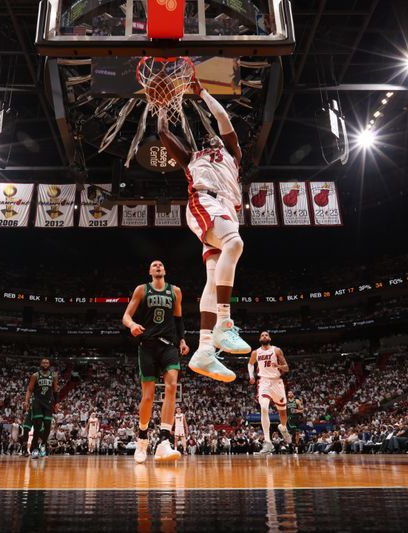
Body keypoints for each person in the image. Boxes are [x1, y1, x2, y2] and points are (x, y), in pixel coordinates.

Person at [157, 77, 250, 383]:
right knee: (234, 245)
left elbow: (223, 119)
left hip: (227, 211)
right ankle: (224, 321)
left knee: (212, 279)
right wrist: (161, 104)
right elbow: (163, 133)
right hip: (205, 203)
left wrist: (202, 92)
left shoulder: (233, 155)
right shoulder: (191, 159)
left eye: (216, 138)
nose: (211, 139)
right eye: (208, 140)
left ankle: (204, 350)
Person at [122, 259, 188, 463]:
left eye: (161, 264)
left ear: (165, 270)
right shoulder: (142, 290)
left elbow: (178, 320)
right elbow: (126, 316)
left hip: (169, 345)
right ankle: (142, 439)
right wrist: (132, 325)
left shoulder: (175, 291)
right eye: (154, 265)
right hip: (148, 345)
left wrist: (183, 340)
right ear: (150, 271)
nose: (158, 266)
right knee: (148, 396)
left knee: (172, 386)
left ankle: (163, 442)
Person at [248, 331, 291, 455]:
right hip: (264, 382)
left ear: (270, 338)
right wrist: (251, 376)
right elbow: (250, 364)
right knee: (264, 408)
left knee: (282, 412)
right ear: (259, 339)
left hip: (277, 382)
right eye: (262, 335)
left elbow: (287, 367)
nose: (264, 336)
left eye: (266, 335)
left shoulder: (276, 350)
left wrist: (278, 365)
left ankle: (283, 428)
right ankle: (267, 442)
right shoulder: (255, 352)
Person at [23, 357, 58, 459]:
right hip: (37, 402)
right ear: (41, 364)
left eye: (47, 362)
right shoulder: (35, 375)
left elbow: (55, 390)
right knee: (37, 426)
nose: (45, 364)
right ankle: (34, 448)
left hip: (48, 402)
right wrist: (26, 401)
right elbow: (29, 390)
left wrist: (57, 403)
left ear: (49, 364)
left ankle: (43, 445)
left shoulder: (54, 376)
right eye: (43, 362)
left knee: (47, 425)